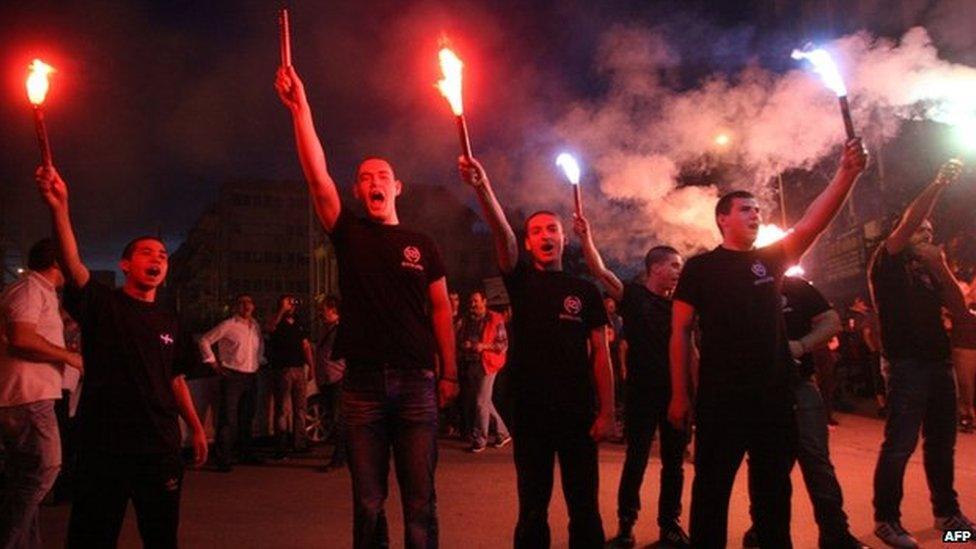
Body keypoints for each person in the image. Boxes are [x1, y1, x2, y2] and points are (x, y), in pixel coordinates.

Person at [276, 65, 457, 549]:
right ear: (358, 192)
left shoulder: (422, 243)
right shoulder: (349, 234)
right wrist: (302, 109)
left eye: (383, 176)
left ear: (397, 188)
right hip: (362, 387)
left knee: (421, 501)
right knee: (368, 501)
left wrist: (451, 373)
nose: (373, 182)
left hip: (418, 382)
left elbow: (441, 310)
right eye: (364, 178)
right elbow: (317, 179)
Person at [668, 138, 867, 548]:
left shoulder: (771, 260)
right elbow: (680, 333)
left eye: (759, 210)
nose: (756, 214)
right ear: (723, 219)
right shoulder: (700, 268)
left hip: (774, 397)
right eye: (746, 209)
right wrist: (679, 395)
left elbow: (813, 220)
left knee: (775, 493)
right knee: (711, 492)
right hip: (721, 398)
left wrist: (846, 173)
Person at [35, 165, 207, 548]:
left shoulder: (171, 320)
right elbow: (72, 262)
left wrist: (194, 427)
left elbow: (176, 378)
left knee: (161, 538)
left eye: (162, 254)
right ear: (126, 264)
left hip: (159, 448)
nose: (157, 258)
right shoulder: (102, 304)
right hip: (103, 448)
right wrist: (60, 207)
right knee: (91, 538)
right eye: (146, 252)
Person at [459, 156, 614, 548]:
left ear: (564, 239)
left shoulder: (586, 291)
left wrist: (607, 410)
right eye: (537, 231)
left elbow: (600, 353)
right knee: (532, 508)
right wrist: (483, 186)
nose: (546, 236)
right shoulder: (521, 280)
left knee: (584, 508)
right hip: (531, 412)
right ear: (528, 244)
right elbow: (502, 236)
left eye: (553, 230)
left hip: (578, 412)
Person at [868, 159, 976, 548]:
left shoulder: (932, 269)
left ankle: (949, 517)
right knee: (899, 444)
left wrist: (942, 265)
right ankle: (887, 520)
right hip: (905, 365)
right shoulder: (887, 260)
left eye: (931, 232)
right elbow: (913, 219)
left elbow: (962, 314)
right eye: (920, 230)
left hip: (938, 363)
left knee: (941, 442)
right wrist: (938, 183)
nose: (927, 234)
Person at [573, 215, 691, 549]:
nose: (679, 271)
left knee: (674, 463)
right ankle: (627, 526)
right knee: (636, 459)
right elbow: (600, 272)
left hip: (676, 395)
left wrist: (692, 394)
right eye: (674, 265)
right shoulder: (633, 296)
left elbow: (691, 351)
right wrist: (585, 237)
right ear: (656, 268)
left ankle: (670, 525)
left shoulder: (682, 307)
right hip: (642, 393)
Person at [741, 275, 868, 549]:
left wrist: (801, 345)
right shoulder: (739, 286)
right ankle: (762, 530)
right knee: (767, 465)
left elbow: (831, 321)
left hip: (801, 386)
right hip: (761, 391)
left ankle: (835, 533)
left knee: (817, 461)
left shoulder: (796, 286)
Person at [0, 238, 84, 548]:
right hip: (27, 397)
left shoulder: (40, 292)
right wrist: (68, 356)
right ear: (58, 263)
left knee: (24, 477)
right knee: (44, 470)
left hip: (28, 396)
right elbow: (21, 337)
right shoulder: (29, 290)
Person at [198, 292, 266, 471]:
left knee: (247, 417)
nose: (246, 305)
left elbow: (260, 346)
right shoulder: (229, 325)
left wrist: (259, 360)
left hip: (251, 375)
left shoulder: (255, 325)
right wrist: (213, 362)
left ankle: (246, 454)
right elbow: (204, 340)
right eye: (242, 302)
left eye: (249, 301)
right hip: (233, 376)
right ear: (237, 306)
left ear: (253, 306)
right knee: (228, 419)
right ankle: (223, 459)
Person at [456, 290, 510, 453]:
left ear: (484, 302)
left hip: (489, 364)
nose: (473, 305)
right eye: (471, 302)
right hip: (473, 363)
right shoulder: (467, 319)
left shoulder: (495, 319)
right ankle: (503, 432)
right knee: (484, 401)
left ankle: (480, 439)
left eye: (476, 301)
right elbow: (460, 338)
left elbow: (503, 345)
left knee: (480, 401)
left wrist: (483, 346)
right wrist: (464, 344)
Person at [266, 295, 314, 458]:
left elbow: (305, 345)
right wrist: (281, 310)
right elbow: (270, 328)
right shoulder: (277, 321)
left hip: (299, 368)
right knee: (282, 410)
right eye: (288, 302)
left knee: (300, 408)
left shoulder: (299, 322)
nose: (291, 305)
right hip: (282, 369)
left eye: (293, 303)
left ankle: (299, 442)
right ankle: (281, 446)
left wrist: (311, 366)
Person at [313, 296, 346, 470]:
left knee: (338, 419)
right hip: (326, 379)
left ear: (333, 310)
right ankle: (344, 454)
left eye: (323, 309)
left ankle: (339, 458)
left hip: (337, 379)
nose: (320, 313)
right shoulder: (325, 330)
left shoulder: (341, 330)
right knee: (335, 418)